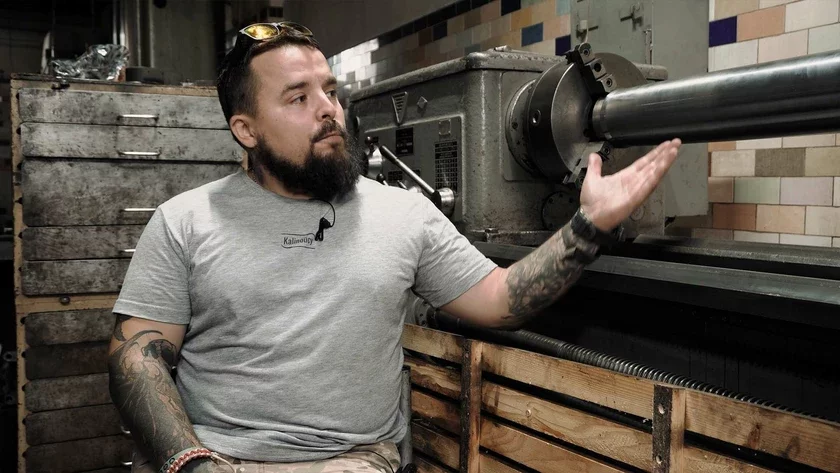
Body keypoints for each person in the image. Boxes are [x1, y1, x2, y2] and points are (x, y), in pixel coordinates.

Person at [107, 21, 681, 473]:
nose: (328, 109)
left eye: (330, 91)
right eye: (297, 98)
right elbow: (137, 356)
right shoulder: (185, 222)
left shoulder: (401, 214)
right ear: (246, 130)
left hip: (353, 461)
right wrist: (191, 463)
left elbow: (501, 299)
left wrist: (588, 226)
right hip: (215, 457)